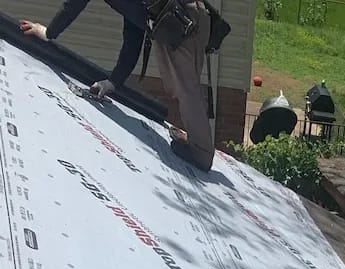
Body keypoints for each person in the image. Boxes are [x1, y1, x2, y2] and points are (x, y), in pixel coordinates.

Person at [20, 0, 214, 171]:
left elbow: (73, 5)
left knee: (186, 90)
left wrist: (48, 32)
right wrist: (114, 82)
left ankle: (201, 154)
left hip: (184, 22)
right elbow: (134, 31)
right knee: (188, 88)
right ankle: (197, 141)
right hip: (190, 19)